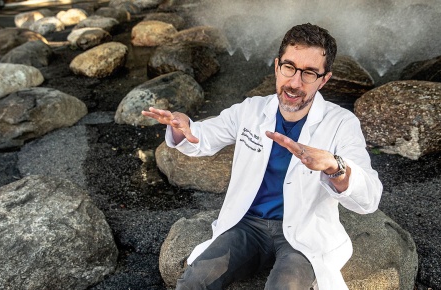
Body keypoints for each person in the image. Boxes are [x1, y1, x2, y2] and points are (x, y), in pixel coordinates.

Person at [142, 23, 382, 290]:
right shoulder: (251, 110)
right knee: (193, 282)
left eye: (309, 73)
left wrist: (334, 167)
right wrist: (183, 126)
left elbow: (369, 198)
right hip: (247, 227)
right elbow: (201, 137)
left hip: (302, 235)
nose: (294, 82)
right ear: (277, 66)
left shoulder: (340, 123)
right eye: (289, 67)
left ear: (324, 79)